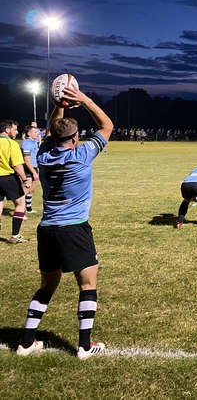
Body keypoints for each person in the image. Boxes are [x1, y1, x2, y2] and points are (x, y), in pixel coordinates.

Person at [17, 83, 113, 359]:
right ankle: (84, 346)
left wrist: (59, 103)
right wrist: (83, 99)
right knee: (87, 285)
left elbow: (51, 130)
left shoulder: (43, 155)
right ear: (74, 139)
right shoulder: (82, 155)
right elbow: (106, 125)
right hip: (74, 229)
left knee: (48, 286)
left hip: (47, 230)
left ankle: (26, 342)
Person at [0, 119, 31, 243]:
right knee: (20, 204)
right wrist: (25, 179)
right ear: (7, 130)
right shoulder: (11, 144)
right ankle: (15, 236)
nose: (17, 132)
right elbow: (18, 165)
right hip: (8, 177)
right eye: (15, 129)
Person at [21, 124, 41, 214]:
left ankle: (28, 209)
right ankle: (20, 211)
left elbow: (41, 136)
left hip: (34, 167)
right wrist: (33, 172)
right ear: (29, 134)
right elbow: (26, 160)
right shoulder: (26, 143)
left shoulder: (35, 141)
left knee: (31, 189)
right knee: (25, 190)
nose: (37, 133)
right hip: (27, 168)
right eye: (35, 132)